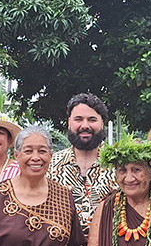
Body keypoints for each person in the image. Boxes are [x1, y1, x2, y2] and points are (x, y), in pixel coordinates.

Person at [47, 93, 117, 237]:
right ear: (69, 122)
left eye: (92, 119)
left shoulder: (119, 164)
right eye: (78, 119)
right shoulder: (50, 165)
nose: (85, 126)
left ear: (102, 123)